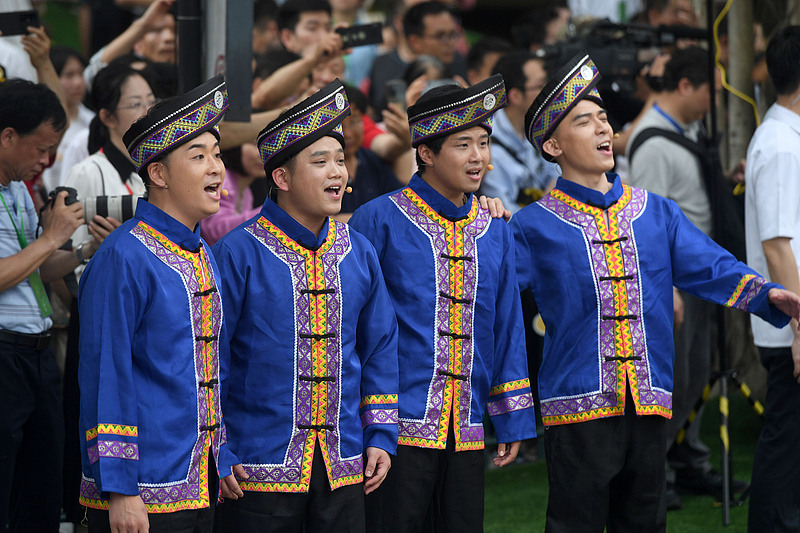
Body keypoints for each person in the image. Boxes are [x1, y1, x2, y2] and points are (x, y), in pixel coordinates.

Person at [510, 51, 800, 532]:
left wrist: (764, 295)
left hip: (648, 400)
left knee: (645, 522)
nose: (604, 128)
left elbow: (710, 265)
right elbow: (495, 302)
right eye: (584, 121)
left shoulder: (653, 211)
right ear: (554, 146)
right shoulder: (531, 225)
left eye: (604, 117)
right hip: (575, 409)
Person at [350, 74, 536, 532]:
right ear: (426, 153)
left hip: (466, 422)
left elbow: (507, 325)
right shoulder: (380, 218)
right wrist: (370, 421)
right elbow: (358, 327)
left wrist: (510, 417)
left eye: (484, 143)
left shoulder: (495, 227)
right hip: (397, 422)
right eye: (462, 145)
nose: (478, 157)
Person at [212, 80, 399, 532]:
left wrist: (381, 434)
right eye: (320, 162)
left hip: (344, 464)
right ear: (281, 177)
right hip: (256, 468)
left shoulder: (359, 250)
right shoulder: (237, 253)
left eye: (339, 160)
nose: (338, 172)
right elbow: (210, 357)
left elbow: (379, 348)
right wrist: (221, 447)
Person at [78, 75, 245, 533]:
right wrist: (120, 489)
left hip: (198, 481)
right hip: (141, 493)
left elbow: (213, 367)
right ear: (158, 173)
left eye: (217, 154)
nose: (216, 168)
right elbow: (105, 375)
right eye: (198, 157)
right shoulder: (124, 256)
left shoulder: (201, 251)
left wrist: (221, 453)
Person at [0, 79, 93, 532]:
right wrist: (54, 236)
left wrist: (82, 249)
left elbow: (34, 269)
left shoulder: (17, 188)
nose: (47, 161)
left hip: (35, 354)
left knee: (44, 484)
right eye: (41, 148)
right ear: (7, 136)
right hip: (3, 351)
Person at [745, 25, 800, 532]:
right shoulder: (781, 143)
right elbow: (777, 244)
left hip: (790, 323)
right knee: (787, 436)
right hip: (790, 327)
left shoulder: (782, 136)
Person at [63, 63, 154, 250]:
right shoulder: (87, 173)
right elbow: (67, 257)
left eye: (152, 102)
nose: (148, 113)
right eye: (136, 104)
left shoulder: (157, 168)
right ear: (108, 117)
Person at [480, 51, 558, 214]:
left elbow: (555, 173)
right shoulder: (490, 151)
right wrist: (549, 201)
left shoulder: (535, 130)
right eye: (540, 86)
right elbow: (508, 221)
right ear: (515, 95)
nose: (549, 93)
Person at [200, 142, 265, 245]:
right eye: (254, 145)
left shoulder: (247, 193)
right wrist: (266, 212)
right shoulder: (222, 180)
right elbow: (214, 230)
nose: (262, 153)